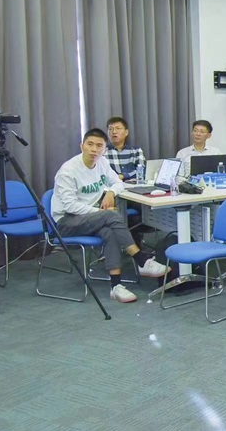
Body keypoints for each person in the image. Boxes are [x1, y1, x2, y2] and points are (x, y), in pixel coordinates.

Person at [52, 128, 168, 303]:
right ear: (82, 146)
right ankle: (141, 259)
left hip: (89, 218)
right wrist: (100, 213)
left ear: (104, 149)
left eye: (99, 146)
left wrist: (110, 193)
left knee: (109, 231)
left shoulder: (102, 163)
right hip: (66, 221)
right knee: (109, 216)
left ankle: (116, 286)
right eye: (90, 144)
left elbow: (118, 183)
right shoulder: (68, 171)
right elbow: (70, 206)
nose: (94, 149)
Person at [104, 116, 144, 182]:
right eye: (110, 129)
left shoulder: (136, 150)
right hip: (112, 186)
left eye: (118, 128)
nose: (114, 132)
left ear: (126, 132)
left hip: (133, 186)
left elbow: (142, 169)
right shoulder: (103, 152)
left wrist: (123, 176)